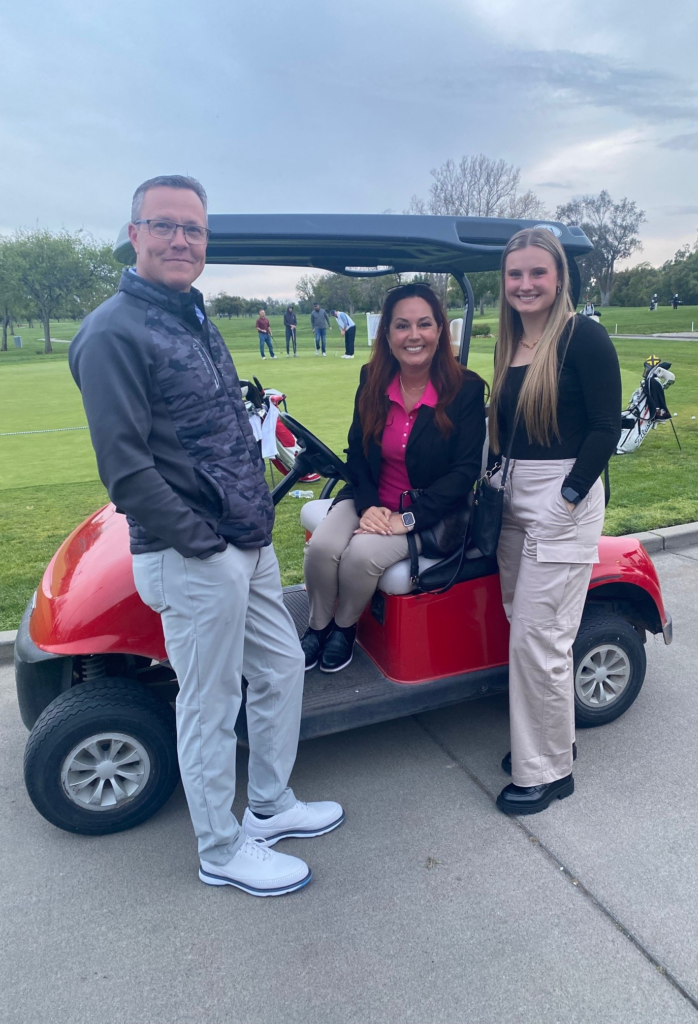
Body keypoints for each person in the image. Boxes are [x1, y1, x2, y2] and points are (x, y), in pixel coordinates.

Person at [69, 175, 343, 898]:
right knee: (210, 702)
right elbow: (126, 471)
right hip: (193, 553)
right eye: (164, 226)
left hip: (243, 543)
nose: (181, 240)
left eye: (193, 229)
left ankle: (270, 806)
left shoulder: (191, 314)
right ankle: (221, 849)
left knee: (282, 668)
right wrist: (202, 541)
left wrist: (242, 531)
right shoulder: (112, 332)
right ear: (135, 234)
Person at [488, 227, 621, 816]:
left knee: (539, 638)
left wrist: (564, 498)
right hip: (510, 495)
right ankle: (549, 737)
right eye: (515, 274)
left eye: (537, 272)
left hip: (561, 497)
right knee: (528, 626)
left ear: (559, 276)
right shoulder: (510, 341)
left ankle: (547, 771)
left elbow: (604, 428)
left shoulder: (582, 337)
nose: (525, 284)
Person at [301, 283, 486, 673]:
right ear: (387, 335)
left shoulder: (466, 390)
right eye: (402, 326)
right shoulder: (372, 378)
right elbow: (357, 452)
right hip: (370, 498)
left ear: (440, 330)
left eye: (424, 324)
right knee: (322, 549)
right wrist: (368, 508)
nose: (413, 335)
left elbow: (464, 472)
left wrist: (407, 519)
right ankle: (318, 626)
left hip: (430, 510)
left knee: (361, 556)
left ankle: (344, 627)